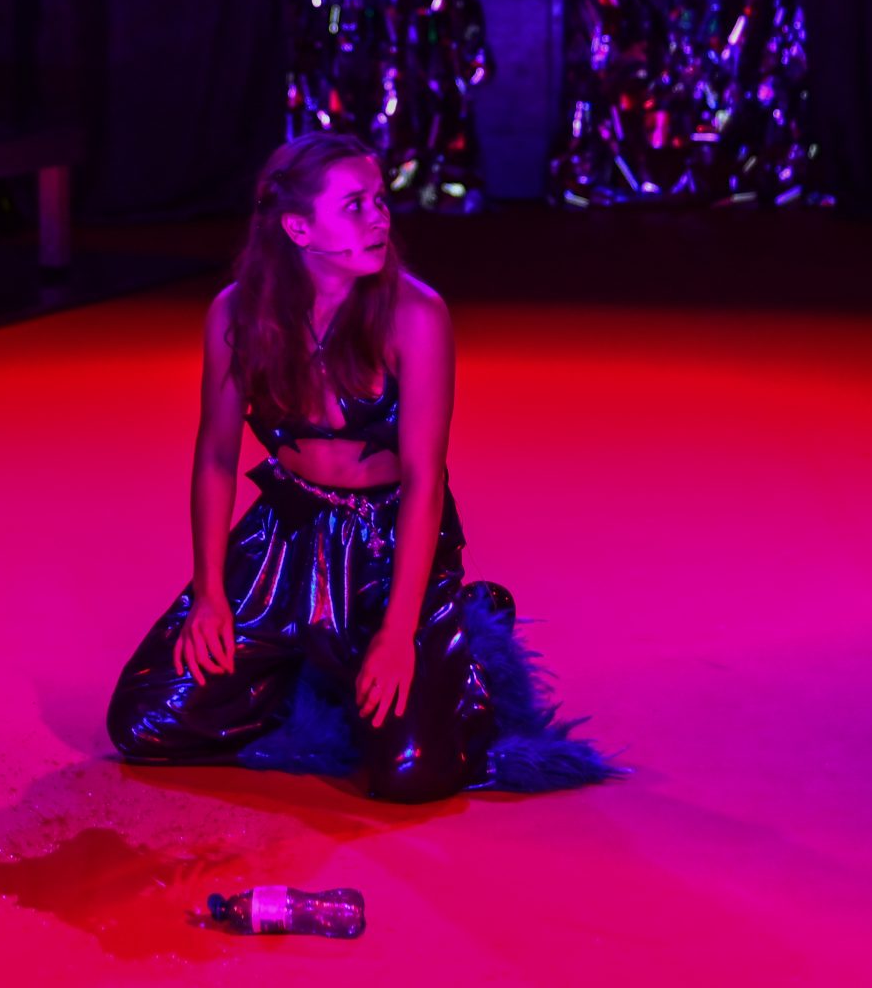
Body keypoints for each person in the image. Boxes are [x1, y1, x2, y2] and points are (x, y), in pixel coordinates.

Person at [106, 132, 613, 801]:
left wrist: (400, 632)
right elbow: (217, 455)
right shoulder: (235, 313)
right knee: (146, 723)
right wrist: (210, 595)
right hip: (283, 540)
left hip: (388, 544)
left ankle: (461, 623)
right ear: (298, 228)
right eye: (355, 205)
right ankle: (310, 664)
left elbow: (426, 479)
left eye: (379, 199)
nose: (379, 218)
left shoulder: (415, 315)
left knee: (410, 772)